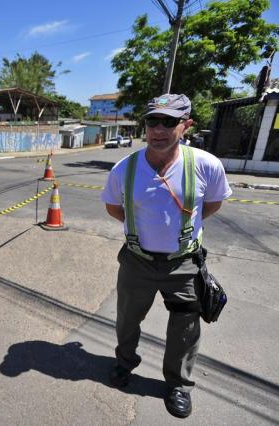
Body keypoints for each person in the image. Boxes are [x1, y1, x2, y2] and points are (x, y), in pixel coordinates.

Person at [101, 94, 232, 419]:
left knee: (185, 328)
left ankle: (178, 384)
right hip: (136, 262)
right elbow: (114, 208)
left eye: (169, 121)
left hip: (184, 263)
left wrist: (182, 230)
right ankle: (124, 363)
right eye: (153, 121)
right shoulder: (124, 169)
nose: (159, 129)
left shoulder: (206, 165)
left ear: (186, 125)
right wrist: (142, 232)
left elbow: (211, 204)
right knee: (127, 320)